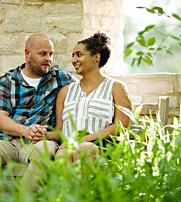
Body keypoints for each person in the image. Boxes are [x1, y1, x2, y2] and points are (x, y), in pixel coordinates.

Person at [0, 34, 74, 202]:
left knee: (44, 149)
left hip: (40, 142)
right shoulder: (7, 81)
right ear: (27, 54)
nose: (48, 59)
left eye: (51, 54)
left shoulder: (62, 79)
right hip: (7, 140)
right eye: (43, 54)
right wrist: (24, 130)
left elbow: (87, 90)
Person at [54, 32, 132, 162]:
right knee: (63, 155)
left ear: (96, 57)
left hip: (103, 146)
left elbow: (121, 126)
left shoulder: (116, 87)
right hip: (69, 147)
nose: (74, 60)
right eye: (73, 56)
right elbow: (59, 130)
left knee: (84, 150)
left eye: (79, 55)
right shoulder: (66, 92)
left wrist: (87, 138)